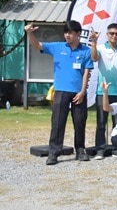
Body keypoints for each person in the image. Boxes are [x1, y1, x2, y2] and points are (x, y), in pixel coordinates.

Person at [25, 21, 93, 165]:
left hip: (78, 93)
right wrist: (29, 33)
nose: (67, 35)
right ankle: (54, 153)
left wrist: (82, 92)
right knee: (57, 123)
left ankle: (80, 151)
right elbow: (37, 45)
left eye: (70, 33)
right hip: (61, 91)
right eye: (65, 32)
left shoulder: (86, 51)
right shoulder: (57, 47)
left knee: (80, 122)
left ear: (78, 33)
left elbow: (86, 73)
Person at [90, 22, 117, 160]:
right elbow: (94, 58)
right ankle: (100, 149)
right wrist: (93, 42)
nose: (114, 36)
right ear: (107, 34)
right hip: (103, 91)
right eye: (112, 33)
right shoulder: (100, 48)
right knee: (101, 122)